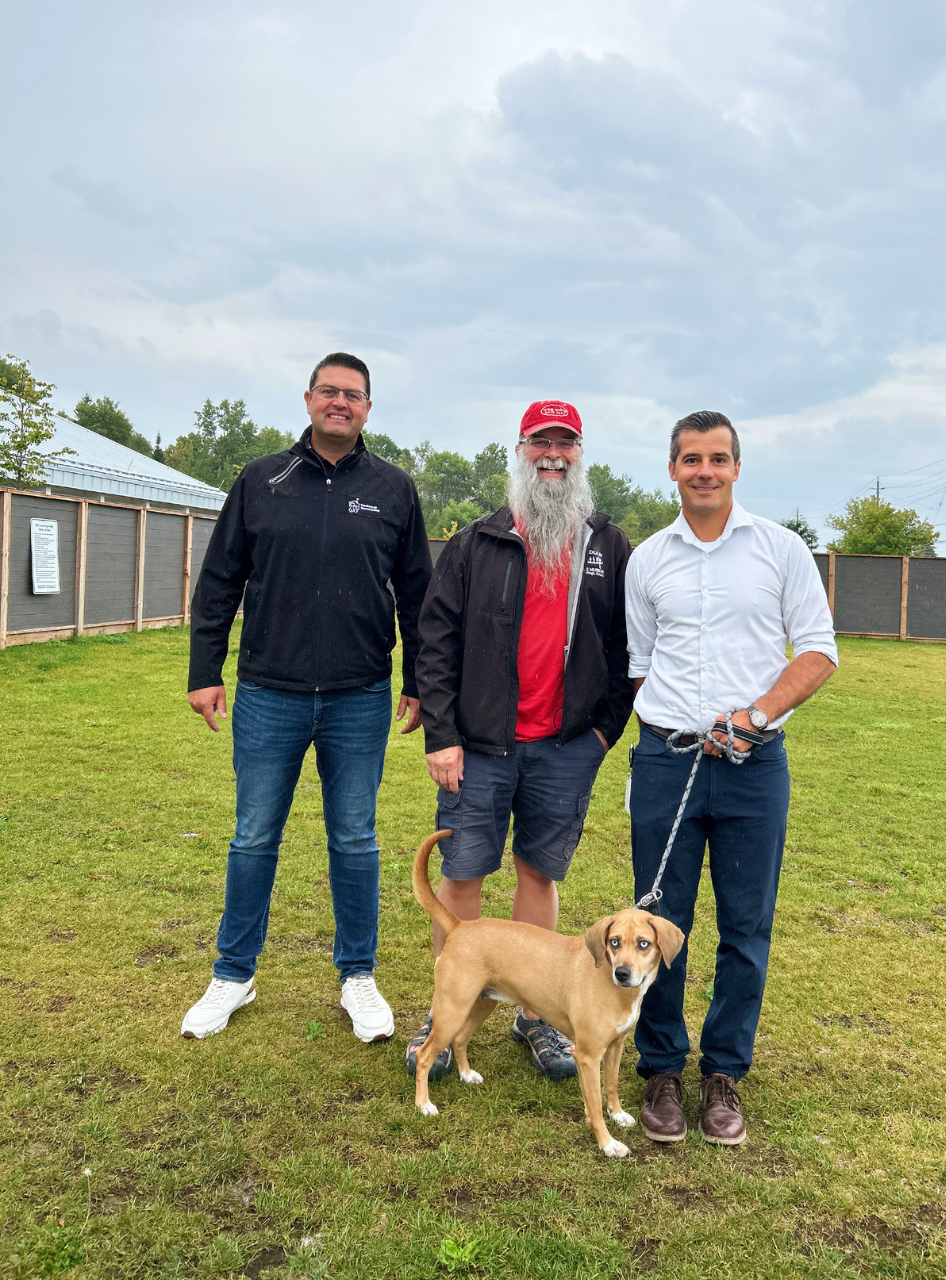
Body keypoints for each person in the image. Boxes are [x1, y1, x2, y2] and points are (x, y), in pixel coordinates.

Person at [181, 352, 432, 1043]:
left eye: (353, 395)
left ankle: (358, 976)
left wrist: (417, 680)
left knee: (354, 839)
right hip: (269, 693)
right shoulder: (262, 480)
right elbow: (218, 584)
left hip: (359, 696)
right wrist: (207, 671)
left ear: (368, 410)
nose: (340, 403)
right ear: (308, 398)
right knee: (253, 835)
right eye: (329, 391)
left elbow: (418, 598)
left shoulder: (394, 489)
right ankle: (234, 974)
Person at [625, 409, 837, 1145]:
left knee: (747, 926)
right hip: (666, 761)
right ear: (674, 469)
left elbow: (817, 651)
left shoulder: (782, 551)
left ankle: (723, 1073)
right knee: (658, 921)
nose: (704, 471)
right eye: (691, 459)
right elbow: (641, 664)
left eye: (718, 458)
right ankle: (660, 1070)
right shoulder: (648, 559)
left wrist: (756, 714)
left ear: (737, 468)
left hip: (753, 766)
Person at [412, 400, 634, 1080]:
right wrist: (442, 736)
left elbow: (633, 646)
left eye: (565, 444)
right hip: (478, 747)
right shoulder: (476, 542)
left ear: (580, 456)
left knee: (539, 873)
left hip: (566, 748)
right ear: (520, 451)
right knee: (463, 873)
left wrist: (601, 732)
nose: (553, 455)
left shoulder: (607, 545)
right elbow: (435, 640)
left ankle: (534, 1016)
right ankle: (448, 1005)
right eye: (541, 442)